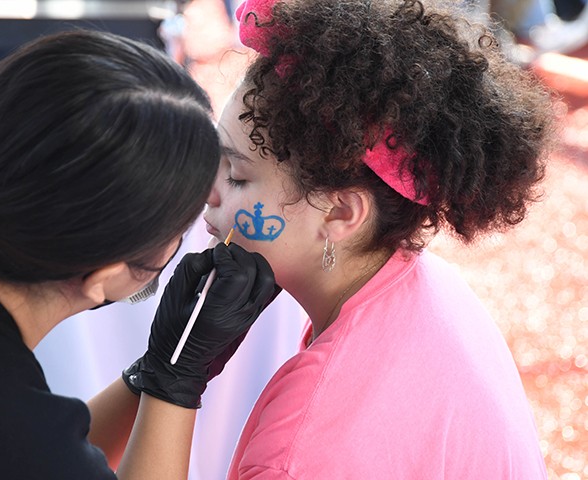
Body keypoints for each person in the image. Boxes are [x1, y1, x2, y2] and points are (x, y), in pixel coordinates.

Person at [0, 30, 278, 479]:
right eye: (183, 220)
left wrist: (156, 370)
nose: (215, 199)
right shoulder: (3, 431)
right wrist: (176, 382)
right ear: (104, 277)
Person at [203, 0, 555, 477]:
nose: (209, 191)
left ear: (342, 212)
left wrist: (170, 383)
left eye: (238, 177)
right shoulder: (428, 284)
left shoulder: (303, 446)